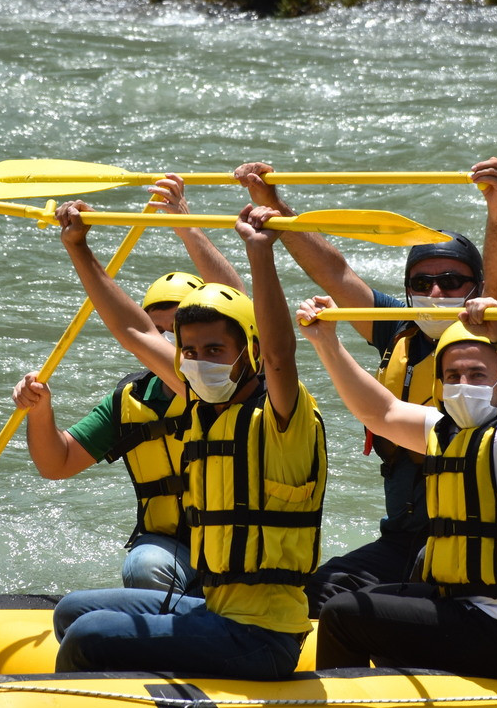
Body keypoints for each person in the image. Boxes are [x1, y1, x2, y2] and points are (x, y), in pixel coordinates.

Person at [234, 158, 497, 613]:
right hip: (404, 538)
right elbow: (335, 274)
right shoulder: (397, 331)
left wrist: (496, 207)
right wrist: (274, 206)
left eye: (452, 282)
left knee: (363, 607)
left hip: (475, 542)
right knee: (319, 590)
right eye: (422, 283)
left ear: (476, 288)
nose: (436, 294)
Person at [51, 205, 326, 680]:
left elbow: (281, 352)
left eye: (215, 351)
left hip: (262, 634)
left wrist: (259, 254)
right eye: (192, 353)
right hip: (215, 607)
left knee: (88, 635)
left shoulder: (283, 414)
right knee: (71, 611)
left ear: (250, 354)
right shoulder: (202, 405)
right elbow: (134, 329)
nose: (200, 363)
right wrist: (79, 247)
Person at [295, 294, 497, 679]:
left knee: (343, 615)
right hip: (467, 610)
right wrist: (326, 342)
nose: (464, 385)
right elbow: (381, 412)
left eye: (477, 375)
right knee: (358, 598)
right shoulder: (448, 430)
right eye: (453, 376)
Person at [12, 177, 244, 595]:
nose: (168, 345)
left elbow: (236, 302)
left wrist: (185, 226)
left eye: (178, 332)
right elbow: (56, 463)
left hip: (237, 549)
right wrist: (41, 410)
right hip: (169, 550)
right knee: (145, 564)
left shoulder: (232, 385)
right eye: (158, 332)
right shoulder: (133, 399)